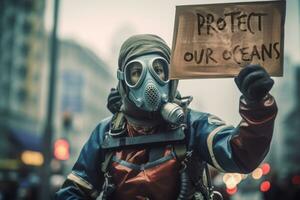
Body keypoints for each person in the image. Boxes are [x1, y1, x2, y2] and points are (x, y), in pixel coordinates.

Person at [55, 34, 277, 200]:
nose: (149, 83)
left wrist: (256, 106)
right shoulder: (106, 133)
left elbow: (240, 154)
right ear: (124, 82)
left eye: (158, 70)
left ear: (171, 77)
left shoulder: (192, 125)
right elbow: (73, 191)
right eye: (136, 73)